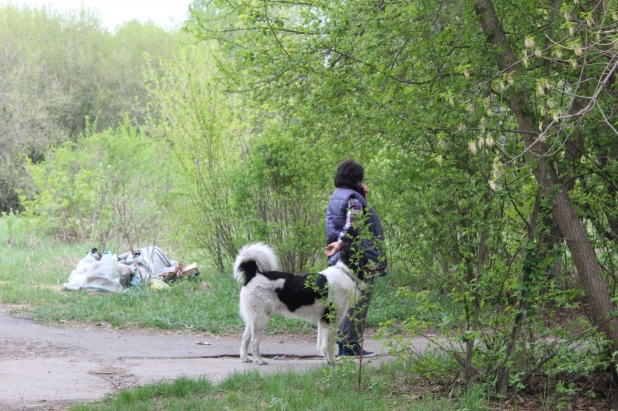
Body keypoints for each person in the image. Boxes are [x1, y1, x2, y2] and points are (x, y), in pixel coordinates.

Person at [325, 159, 387, 357]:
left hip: (342, 260)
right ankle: (351, 346)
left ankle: (344, 344)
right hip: (358, 258)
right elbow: (353, 223)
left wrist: (361, 195)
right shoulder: (353, 198)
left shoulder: (338, 195)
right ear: (356, 178)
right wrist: (341, 242)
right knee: (358, 301)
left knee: (345, 301)